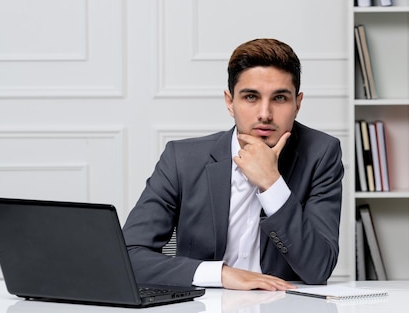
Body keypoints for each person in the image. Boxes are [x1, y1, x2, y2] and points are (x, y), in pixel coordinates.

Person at [122, 38, 344, 291]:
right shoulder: (182, 159)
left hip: (283, 304)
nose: (265, 114)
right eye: (251, 97)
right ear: (230, 102)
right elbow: (129, 256)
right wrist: (221, 274)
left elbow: (318, 268)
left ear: (298, 103)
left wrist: (272, 184)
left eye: (280, 98)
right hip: (204, 305)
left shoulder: (321, 154)